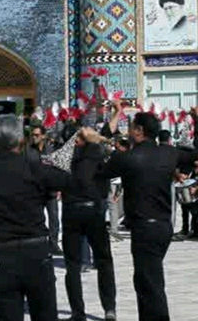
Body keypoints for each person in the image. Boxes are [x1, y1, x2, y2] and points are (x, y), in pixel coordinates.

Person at [83, 112, 198, 321]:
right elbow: (193, 154)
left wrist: (95, 142)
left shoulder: (128, 158)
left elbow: (98, 171)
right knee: (145, 280)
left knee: (150, 283)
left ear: (139, 131)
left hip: (145, 228)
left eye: (131, 127)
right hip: (163, 227)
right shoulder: (169, 153)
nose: (128, 131)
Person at [0, 115, 72, 321]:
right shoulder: (34, 168)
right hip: (36, 252)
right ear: (21, 140)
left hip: (1, 254)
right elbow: (68, 180)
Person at [61, 133, 117, 321]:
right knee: (104, 260)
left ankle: (78, 312)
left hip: (71, 210)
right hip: (93, 210)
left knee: (72, 265)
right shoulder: (98, 156)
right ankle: (109, 308)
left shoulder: (65, 157)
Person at [27, 125, 62, 255]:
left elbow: (57, 169)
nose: (34, 137)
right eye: (32, 135)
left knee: (54, 218)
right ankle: (38, 243)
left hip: (50, 190)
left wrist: (59, 188)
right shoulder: (28, 151)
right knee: (36, 218)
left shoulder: (51, 150)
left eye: (36, 135)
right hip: (35, 190)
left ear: (43, 136)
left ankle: (53, 244)